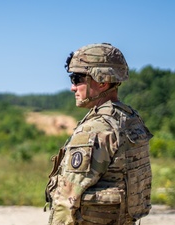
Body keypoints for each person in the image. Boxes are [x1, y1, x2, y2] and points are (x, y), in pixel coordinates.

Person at [45, 43, 152, 225]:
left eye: (77, 79)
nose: (73, 87)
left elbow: (67, 198)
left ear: (102, 81)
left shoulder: (95, 129)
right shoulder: (130, 118)